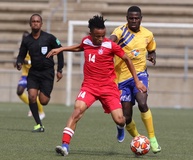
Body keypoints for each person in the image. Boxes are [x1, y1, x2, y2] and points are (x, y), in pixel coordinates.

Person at [46, 15, 147, 156]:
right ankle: (65, 146)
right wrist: (61, 49)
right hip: (89, 87)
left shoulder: (110, 45)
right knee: (77, 111)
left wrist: (137, 81)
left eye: (103, 36)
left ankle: (120, 127)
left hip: (108, 88)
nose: (100, 39)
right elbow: (80, 47)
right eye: (97, 36)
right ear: (91, 34)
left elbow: (127, 59)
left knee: (120, 119)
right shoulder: (86, 41)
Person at [109, 6, 161, 153]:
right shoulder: (120, 31)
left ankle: (152, 138)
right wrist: (107, 42)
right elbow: (112, 39)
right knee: (126, 117)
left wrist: (153, 56)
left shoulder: (148, 34)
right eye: (131, 18)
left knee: (142, 103)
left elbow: (152, 49)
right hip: (121, 79)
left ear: (141, 19)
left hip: (140, 74)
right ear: (127, 18)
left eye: (136, 18)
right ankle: (139, 139)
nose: (133, 20)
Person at [15, 14, 64, 132]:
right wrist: (19, 62)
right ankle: (39, 125)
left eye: (38, 21)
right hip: (34, 72)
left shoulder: (49, 38)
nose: (35, 23)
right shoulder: (27, 40)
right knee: (32, 96)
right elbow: (21, 54)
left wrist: (60, 69)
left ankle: (45, 95)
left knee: (43, 101)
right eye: (33, 21)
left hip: (47, 73)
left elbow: (60, 51)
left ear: (41, 24)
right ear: (30, 24)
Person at [14, 31, 45, 120]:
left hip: (34, 74)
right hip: (25, 75)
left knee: (33, 95)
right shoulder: (22, 48)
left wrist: (28, 62)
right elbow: (20, 58)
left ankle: (41, 112)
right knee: (19, 91)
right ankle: (32, 106)